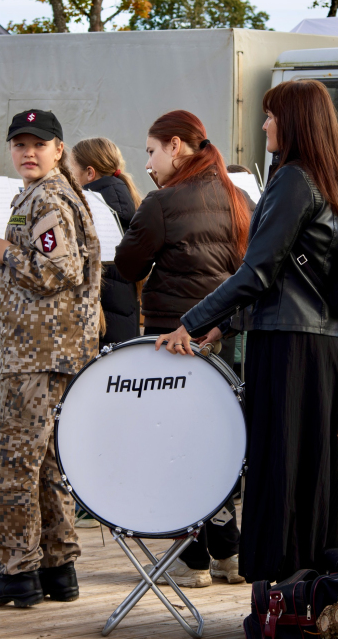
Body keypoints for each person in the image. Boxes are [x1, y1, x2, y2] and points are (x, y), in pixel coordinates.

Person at [156, 80, 338, 583]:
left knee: (277, 470)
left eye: (271, 116)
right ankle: (308, 589)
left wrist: (191, 321)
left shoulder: (292, 179)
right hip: (325, 347)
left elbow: (259, 273)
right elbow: (290, 274)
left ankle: (279, 593)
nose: (264, 125)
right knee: (314, 476)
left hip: (288, 347)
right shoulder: (331, 179)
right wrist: (223, 325)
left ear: (294, 122)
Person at [0, 109, 102, 608]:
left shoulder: (47, 197)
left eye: (39, 145)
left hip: (38, 354)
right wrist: (3, 276)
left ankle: (18, 571)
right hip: (48, 347)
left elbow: (58, 270)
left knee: (13, 463)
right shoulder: (44, 193)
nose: (28, 152)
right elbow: (44, 271)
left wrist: (7, 255)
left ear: (58, 150)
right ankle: (58, 567)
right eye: (20, 144)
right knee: (46, 464)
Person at [115, 109, 251, 587]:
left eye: (152, 151)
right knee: (214, 442)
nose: (148, 163)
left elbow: (127, 266)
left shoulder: (162, 202)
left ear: (175, 146)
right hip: (222, 340)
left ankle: (192, 560)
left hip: (171, 336)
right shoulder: (239, 198)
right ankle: (228, 552)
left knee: (173, 444)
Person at [72, 137, 141, 349]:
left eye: (70, 170)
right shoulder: (130, 203)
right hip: (123, 328)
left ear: (90, 174)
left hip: (98, 333)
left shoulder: (89, 210)